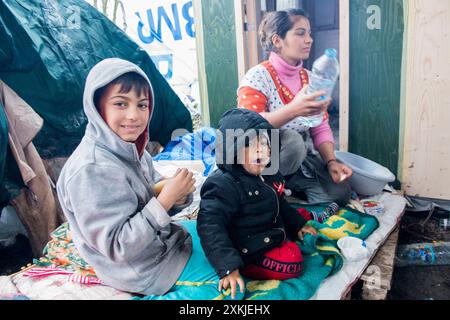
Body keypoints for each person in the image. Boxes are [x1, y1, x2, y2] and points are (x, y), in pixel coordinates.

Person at [57, 58, 236, 299]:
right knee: (230, 290)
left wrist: (175, 193)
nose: (134, 116)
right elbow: (118, 246)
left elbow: (150, 193)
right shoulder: (91, 170)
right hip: (140, 269)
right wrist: (165, 199)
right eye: (121, 104)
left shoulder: (132, 147)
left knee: (229, 234)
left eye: (142, 105)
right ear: (97, 108)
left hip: (162, 243)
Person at [198, 108, 318, 298]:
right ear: (233, 151)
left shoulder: (267, 173)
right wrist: (228, 266)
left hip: (267, 230)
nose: (261, 150)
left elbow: (280, 202)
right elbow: (210, 226)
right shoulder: (222, 185)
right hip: (246, 248)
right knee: (292, 263)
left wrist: (298, 224)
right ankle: (247, 265)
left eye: (265, 143)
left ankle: (290, 231)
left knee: (299, 216)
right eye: (252, 145)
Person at [237, 8, 353, 205]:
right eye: (300, 33)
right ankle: (262, 190)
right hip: (264, 158)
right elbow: (247, 126)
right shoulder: (257, 77)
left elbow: (320, 125)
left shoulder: (309, 78)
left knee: (341, 192)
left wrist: (331, 161)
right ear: (277, 41)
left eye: (309, 33)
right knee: (293, 141)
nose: (309, 40)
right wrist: (294, 110)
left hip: (298, 159)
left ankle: (287, 191)